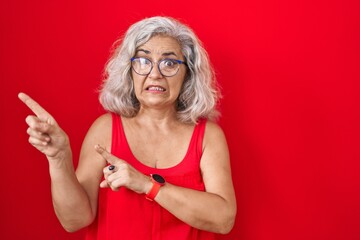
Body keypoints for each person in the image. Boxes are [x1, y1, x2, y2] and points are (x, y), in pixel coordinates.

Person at [19, 16, 236, 240]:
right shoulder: (105, 129)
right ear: (129, 71)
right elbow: (75, 220)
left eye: (169, 63)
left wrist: (146, 185)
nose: (155, 74)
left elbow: (223, 219)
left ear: (188, 74)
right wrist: (59, 158)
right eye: (143, 61)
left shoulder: (207, 135)